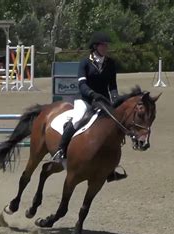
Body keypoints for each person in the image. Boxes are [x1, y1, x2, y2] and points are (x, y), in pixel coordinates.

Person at [52, 32, 125, 181]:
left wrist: (116, 98)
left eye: (107, 45)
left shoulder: (110, 63)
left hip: (104, 101)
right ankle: (61, 150)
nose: (106, 48)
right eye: (103, 45)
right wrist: (92, 94)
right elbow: (82, 84)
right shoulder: (85, 63)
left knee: (114, 126)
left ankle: (110, 168)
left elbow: (112, 85)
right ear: (95, 46)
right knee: (78, 118)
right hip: (86, 100)